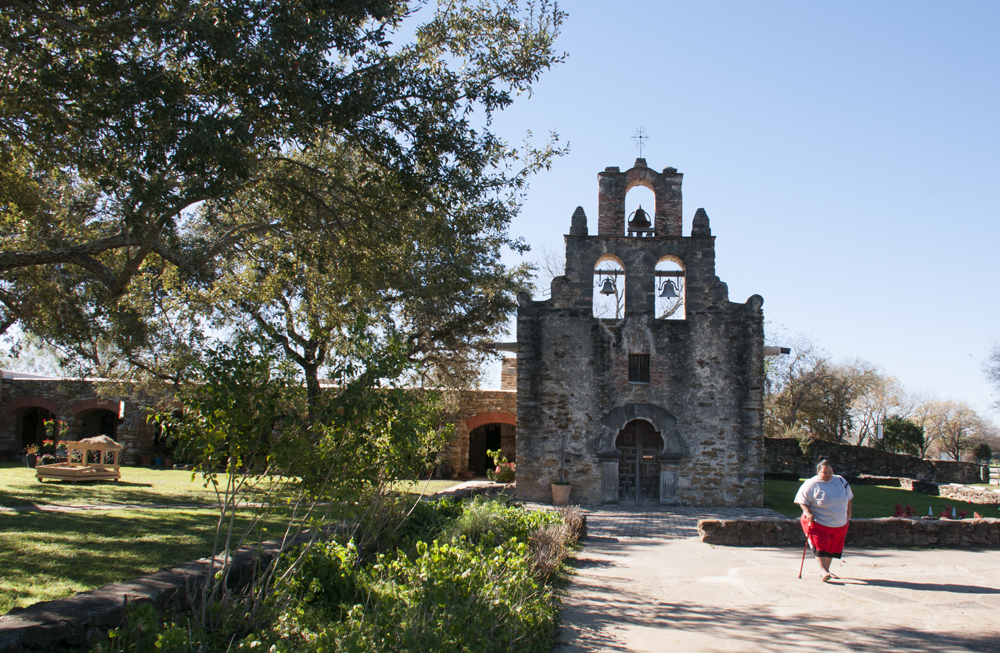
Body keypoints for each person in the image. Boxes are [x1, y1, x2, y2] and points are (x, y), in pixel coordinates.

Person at [794, 459, 853, 582]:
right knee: (821, 546)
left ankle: (827, 570)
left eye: (830, 471)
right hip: (818, 522)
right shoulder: (811, 484)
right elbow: (801, 501)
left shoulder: (841, 481)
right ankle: (823, 570)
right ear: (818, 472)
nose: (828, 474)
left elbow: (849, 497)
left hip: (839, 523)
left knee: (832, 547)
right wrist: (808, 512)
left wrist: (849, 512)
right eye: (825, 472)